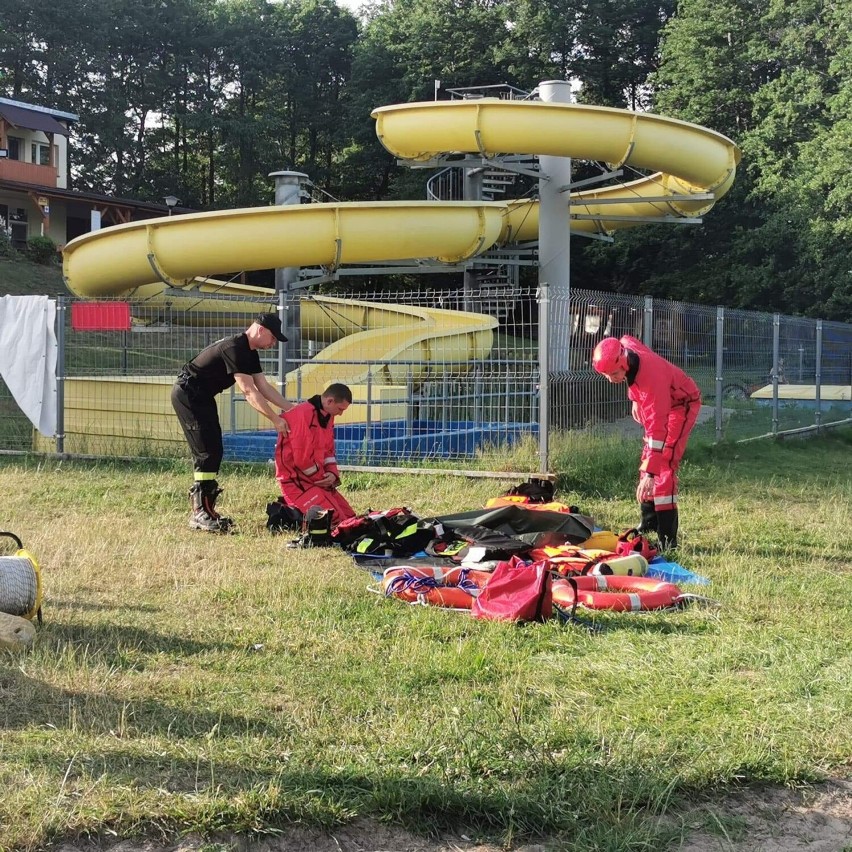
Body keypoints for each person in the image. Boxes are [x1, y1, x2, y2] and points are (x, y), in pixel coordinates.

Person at [171, 313, 294, 532]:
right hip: (188, 394)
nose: (273, 344)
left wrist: (292, 410)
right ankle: (200, 512)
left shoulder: (249, 352)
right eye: (273, 338)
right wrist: (275, 420)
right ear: (261, 330)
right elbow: (248, 391)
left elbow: (264, 388)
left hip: (202, 396)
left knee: (213, 448)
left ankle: (205, 509)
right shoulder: (235, 347)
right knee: (206, 451)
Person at [592, 335, 701, 551]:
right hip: (664, 403)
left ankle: (668, 539)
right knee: (648, 458)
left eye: (614, 374)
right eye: (606, 375)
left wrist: (651, 475)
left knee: (663, 465)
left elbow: (657, 428)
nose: (611, 379)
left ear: (623, 362)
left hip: (681, 404)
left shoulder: (652, 383)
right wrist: (634, 398)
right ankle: (650, 523)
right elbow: (630, 340)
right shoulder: (627, 350)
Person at [274, 383, 356, 522]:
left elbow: (328, 450)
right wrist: (323, 479)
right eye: (340, 409)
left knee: (350, 517)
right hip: (296, 481)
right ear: (329, 401)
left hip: (314, 480)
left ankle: (292, 513)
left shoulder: (327, 415)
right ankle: (290, 513)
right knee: (336, 521)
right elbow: (302, 459)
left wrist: (331, 474)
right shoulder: (302, 415)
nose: (340, 413)